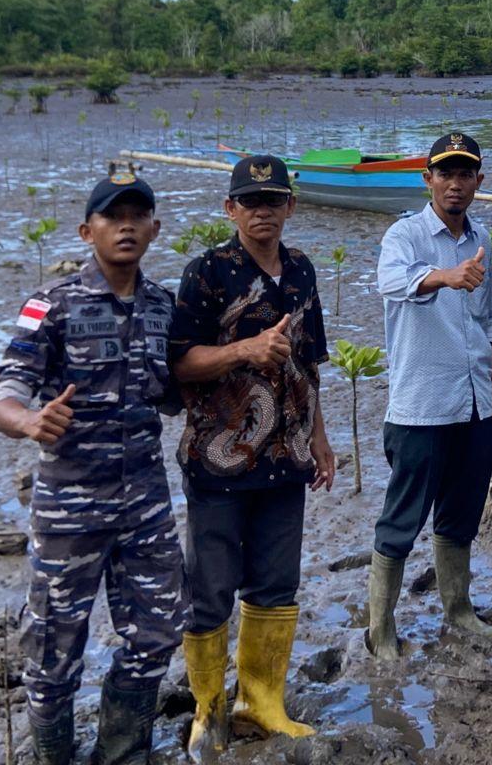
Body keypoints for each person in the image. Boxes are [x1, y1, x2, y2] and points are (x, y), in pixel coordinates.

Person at [0, 173, 184, 765]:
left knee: (156, 633)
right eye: (111, 215)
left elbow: (176, 390)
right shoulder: (52, 303)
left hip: (145, 503)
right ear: (86, 230)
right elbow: (5, 390)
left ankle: (123, 752)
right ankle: (53, 757)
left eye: (137, 215)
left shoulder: (163, 306)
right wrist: (27, 421)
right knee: (51, 651)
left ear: (154, 229)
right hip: (70, 506)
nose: (125, 225)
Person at [170, 154, 334, 753]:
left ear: (291, 206)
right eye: (249, 202)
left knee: (276, 582)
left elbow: (309, 362)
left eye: (273, 201)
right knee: (210, 587)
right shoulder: (206, 273)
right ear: (230, 209)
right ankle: (208, 711)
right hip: (218, 460)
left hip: (286, 455)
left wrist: (320, 440)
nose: (261, 212)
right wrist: (244, 351)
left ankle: (262, 702)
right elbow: (180, 361)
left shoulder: (302, 271)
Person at [366, 132, 492, 658]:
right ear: (427, 179)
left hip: (473, 404)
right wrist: (445, 276)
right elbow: (390, 283)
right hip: (420, 406)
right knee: (401, 520)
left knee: (460, 514)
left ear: (478, 182)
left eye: (465, 173)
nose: (455, 183)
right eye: (445, 173)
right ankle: (380, 631)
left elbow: (489, 323)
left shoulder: (482, 240)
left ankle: (459, 610)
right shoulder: (404, 236)